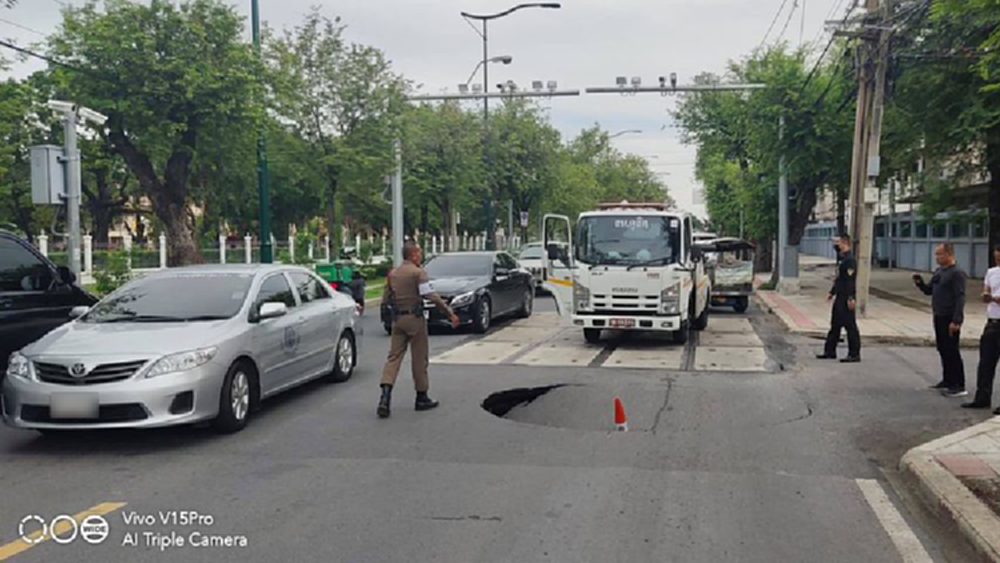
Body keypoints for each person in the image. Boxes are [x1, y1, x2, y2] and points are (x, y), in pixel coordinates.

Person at [377, 242, 460, 419]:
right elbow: (431, 296)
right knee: (419, 358)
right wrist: (449, 313)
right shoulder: (418, 273)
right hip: (415, 319)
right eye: (419, 253)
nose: (420, 256)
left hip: (398, 320)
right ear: (413, 255)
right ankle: (421, 397)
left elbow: (385, 299)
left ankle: (385, 397)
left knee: (393, 358)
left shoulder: (393, 274)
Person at [914, 243, 967, 397]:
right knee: (942, 348)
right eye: (936, 254)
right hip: (939, 315)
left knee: (952, 349)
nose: (937, 258)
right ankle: (948, 379)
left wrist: (957, 319)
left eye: (940, 254)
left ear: (949, 254)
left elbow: (960, 297)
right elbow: (930, 290)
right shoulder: (939, 272)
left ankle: (959, 383)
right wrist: (920, 284)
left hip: (950, 316)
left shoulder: (957, 273)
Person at [963, 246, 1000, 411]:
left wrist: (994, 298)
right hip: (992, 321)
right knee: (986, 362)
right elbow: (987, 289)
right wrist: (986, 295)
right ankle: (982, 397)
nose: (998, 261)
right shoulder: (992, 272)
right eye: (996, 258)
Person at [818, 234, 861, 362]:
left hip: (846, 298)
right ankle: (830, 351)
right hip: (839, 297)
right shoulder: (842, 259)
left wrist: (851, 298)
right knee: (835, 325)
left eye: (838, 242)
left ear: (844, 243)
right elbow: (839, 279)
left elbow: (849, 281)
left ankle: (854, 354)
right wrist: (832, 292)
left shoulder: (850, 260)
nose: (836, 245)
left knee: (850, 326)